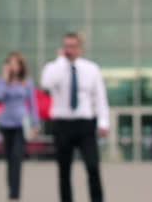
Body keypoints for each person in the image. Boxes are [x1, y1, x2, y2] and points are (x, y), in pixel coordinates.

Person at [41, 33, 110, 202]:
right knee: (64, 170)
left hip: (85, 124)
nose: (69, 50)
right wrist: (60, 62)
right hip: (62, 124)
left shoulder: (91, 68)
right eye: (66, 46)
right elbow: (46, 83)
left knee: (93, 166)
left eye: (73, 46)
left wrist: (103, 121)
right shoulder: (54, 67)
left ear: (80, 48)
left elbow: (100, 97)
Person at [0, 52, 40, 202]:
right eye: (10, 63)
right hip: (6, 124)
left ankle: (15, 196)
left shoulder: (27, 82)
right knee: (9, 160)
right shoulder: (2, 81)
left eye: (15, 63)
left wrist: (36, 123)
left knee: (17, 158)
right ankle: (11, 191)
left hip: (21, 124)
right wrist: (5, 79)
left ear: (20, 66)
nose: (13, 66)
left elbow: (33, 104)